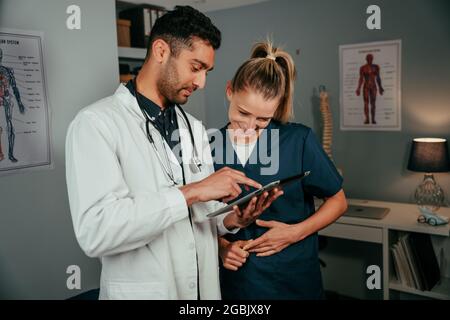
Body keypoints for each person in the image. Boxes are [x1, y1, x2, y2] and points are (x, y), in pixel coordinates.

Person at [65, 6, 281, 300]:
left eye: (207, 71)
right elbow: (97, 232)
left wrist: (234, 219)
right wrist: (193, 191)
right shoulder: (96, 124)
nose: (202, 83)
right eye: (195, 67)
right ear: (161, 51)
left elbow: (203, 216)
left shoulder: (192, 128)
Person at [211, 41, 348, 300]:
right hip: (238, 284)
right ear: (229, 90)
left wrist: (294, 233)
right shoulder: (207, 147)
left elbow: (338, 201)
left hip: (293, 279)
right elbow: (198, 219)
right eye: (243, 112)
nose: (250, 127)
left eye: (263, 119)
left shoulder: (299, 141)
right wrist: (221, 249)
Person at [0, 48, 26, 162]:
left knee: (10, 126)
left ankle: (10, 154)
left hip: (6, 97)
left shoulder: (8, 71)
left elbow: (15, 87)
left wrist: (20, 102)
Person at [356, 53, 384, 124]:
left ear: (372, 59)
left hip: (373, 86)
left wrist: (380, 87)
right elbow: (361, 78)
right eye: (368, 59)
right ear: (366, 59)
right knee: (366, 103)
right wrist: (358, 88)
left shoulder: (376, 67)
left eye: (371, 58)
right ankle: (367, 119)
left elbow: (378, 78)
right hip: (366, 87)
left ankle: (373, 119)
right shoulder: (363, 68)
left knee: (373, 103)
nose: (370, 60)